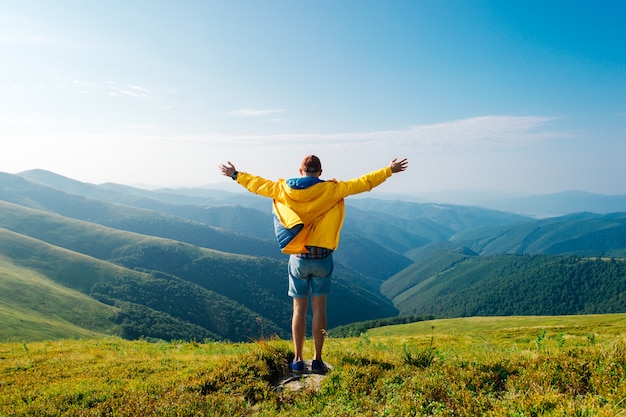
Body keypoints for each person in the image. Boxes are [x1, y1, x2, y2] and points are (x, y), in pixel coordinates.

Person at [219, 155, 408, 374]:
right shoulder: (331, 190)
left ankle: (298, 360)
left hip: (298, 258)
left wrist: (235, 174)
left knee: (299, 309)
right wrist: (389, 170)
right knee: (320, 309)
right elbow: (364, 182)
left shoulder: (282, 189)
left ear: (300, 172)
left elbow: (258, 185)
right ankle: (317, 360)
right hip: (322, 258)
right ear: (320, 172)